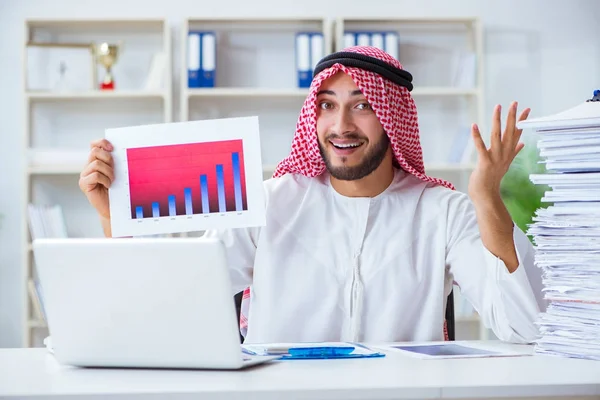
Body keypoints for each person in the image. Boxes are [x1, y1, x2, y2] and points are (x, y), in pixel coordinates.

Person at [79, 45, 541, 345]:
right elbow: (171, 306)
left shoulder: (442, 211)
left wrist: (486, 198)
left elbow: (525, 327)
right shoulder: (269, 203)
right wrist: (113, 222)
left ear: (392, 116)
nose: (340, 126)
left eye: (363, 105)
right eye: (327, 106)